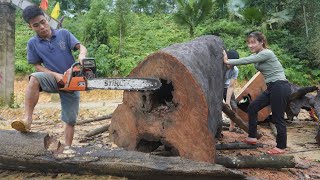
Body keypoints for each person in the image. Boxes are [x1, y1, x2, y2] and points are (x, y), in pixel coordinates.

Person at [11, 5, 87, 149]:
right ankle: (27, 120)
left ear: (46, 19)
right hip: (52, 79)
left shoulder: (63, 34)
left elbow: (81, 47)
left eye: (43, 22)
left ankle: (67, 148)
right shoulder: (33, 43)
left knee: (70, 119)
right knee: (34, 77)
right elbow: (37, 66)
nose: (42, 27)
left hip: (71, 80)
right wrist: (55, 75)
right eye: (36, 25)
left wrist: (82, 55)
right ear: (30, 27)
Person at [223, 31, 291, 155]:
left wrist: (228, 61)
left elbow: (247, 60)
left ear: (262, 42)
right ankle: (252, 137)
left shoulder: (266, 53)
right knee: (253, 108)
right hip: (272, 87)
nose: (250, 45)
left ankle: (281, 146)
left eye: (253, 42)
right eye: (249, 43)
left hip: (280, 86)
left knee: (278, 117)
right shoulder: (259, 54)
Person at [223, 49, 239, 132]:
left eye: (234, 64)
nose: (231, 65)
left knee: (234, 107)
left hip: (226, 87)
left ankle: (232, 125)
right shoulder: (219, 65)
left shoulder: (235, 70)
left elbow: (231, 86)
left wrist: (228, 102)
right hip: (217, 87)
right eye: (230, 62)